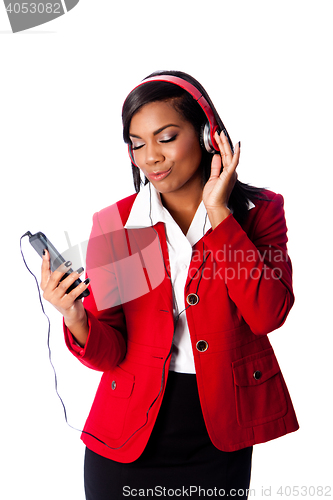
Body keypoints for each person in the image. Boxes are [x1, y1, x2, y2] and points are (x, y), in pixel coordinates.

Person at [40, 71, 299, 499]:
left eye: (165, 137)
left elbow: (267, 313)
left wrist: (219, 215)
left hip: (220, 433)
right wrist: (75, 316)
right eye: (137, 144)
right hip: (126, 438)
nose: (150, 158)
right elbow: (113, 350)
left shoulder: (257, 212)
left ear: (207, 135)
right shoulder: (120, 224)